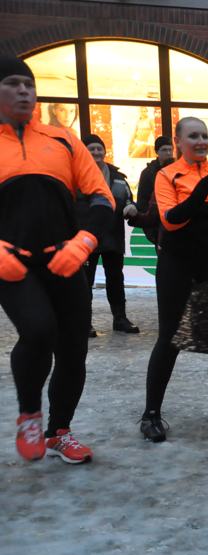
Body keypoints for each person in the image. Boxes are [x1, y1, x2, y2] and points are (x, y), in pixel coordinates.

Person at [0, 56, 114, 464]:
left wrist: (83, 243)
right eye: (13, 83)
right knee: (39, 330)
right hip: (11, 264)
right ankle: (30, 413)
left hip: (65, 258)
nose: (24, 91)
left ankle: (59, 431)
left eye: (29, 84)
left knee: (73, 348)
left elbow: (102, 196)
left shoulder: (62, 139)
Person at [138, 116, 208, 442]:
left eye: (205, 136)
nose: (200, 142)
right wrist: (201, 192)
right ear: (178, 140)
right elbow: (171, 222)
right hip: (177, 262)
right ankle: (151, 413)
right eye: (193, 136)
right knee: (169, 336)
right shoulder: (165, 174)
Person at [79, 133, 140, 335]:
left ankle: (120, 319)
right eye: (92, 149)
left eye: (99, 148)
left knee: (115, 278)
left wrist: (131, 207)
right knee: (84, 282)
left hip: (113, 237)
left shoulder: (117, 177)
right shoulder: (76, 174)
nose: (96, 152)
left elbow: (129, 199)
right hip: (86, 238)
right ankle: (84, 322)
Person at [135, 135, 174, 211]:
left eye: (170, 149)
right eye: (164, 150)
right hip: (155, 214)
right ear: (157, 152)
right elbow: (142, 199)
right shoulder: (148, 172)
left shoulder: (178, 169)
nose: (168, 153)